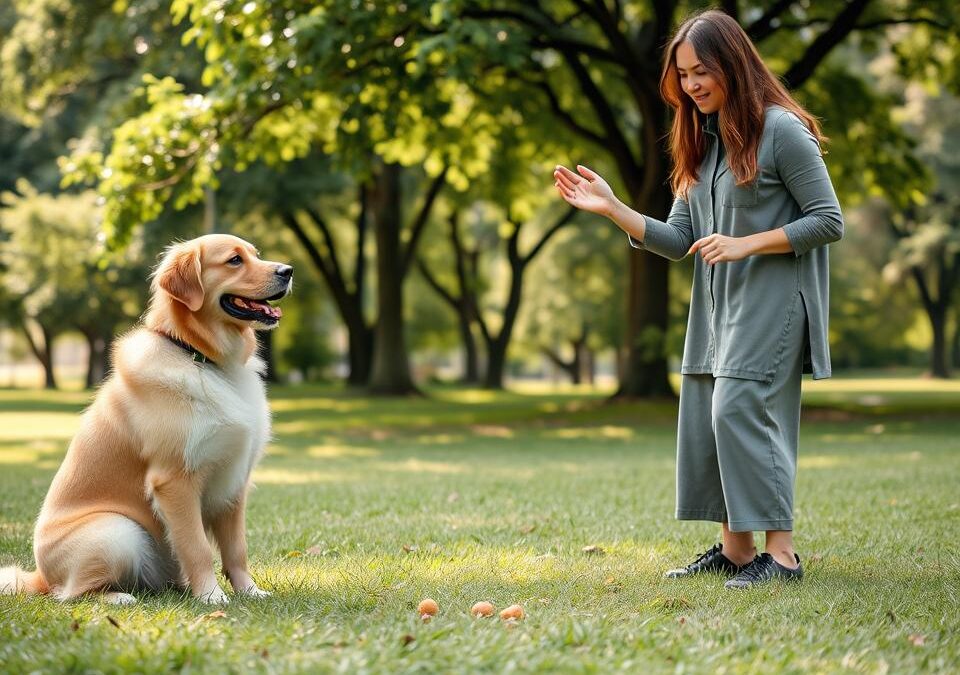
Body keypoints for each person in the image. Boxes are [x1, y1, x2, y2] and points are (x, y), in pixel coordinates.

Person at [554, 9, 842, 589]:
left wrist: (745, 244)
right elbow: (678, 238)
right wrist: (614, 209)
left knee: (739, 410)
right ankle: (735, 551)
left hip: (774, 302)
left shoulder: (782, 130)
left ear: (732, 64)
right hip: (715, 310)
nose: (691, 85)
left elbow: (828, 220)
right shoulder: (700, 142)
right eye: (683, 75)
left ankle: (782, 556)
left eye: (701, 71)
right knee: (711, 418)